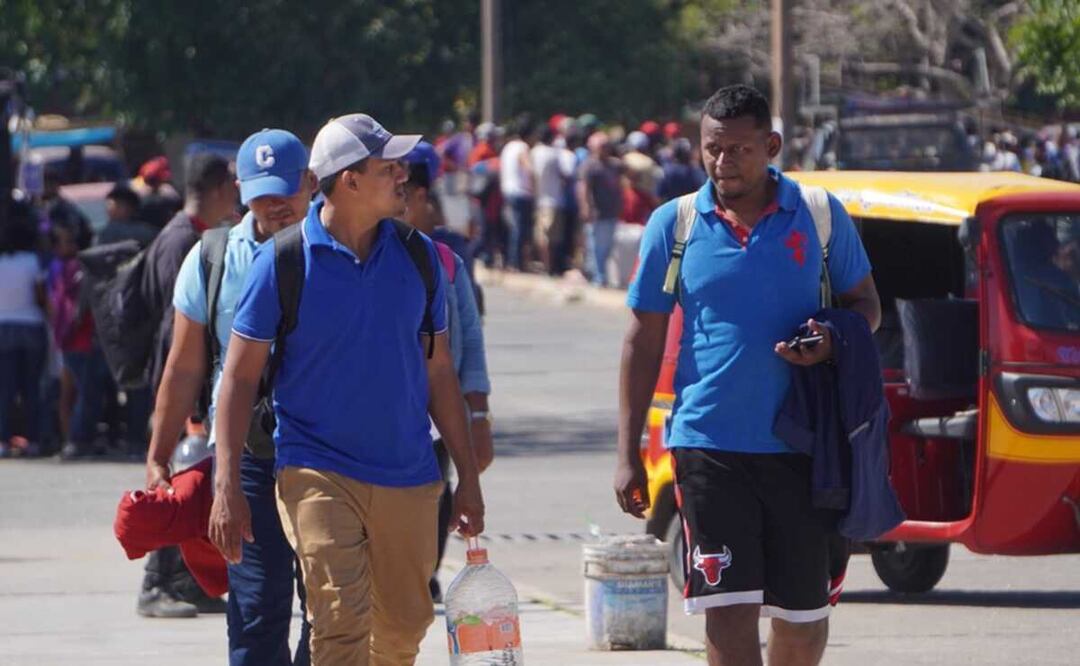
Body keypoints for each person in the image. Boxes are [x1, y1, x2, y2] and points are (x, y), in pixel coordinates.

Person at [615, 84, 881, 666]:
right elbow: (642, 338)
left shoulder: (818, 215)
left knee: (802, 618)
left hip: (806, 449)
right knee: (728, 611)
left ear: (771, 146)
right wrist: (627, 450)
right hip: (708, 446)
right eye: (713, 148)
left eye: (738, 149)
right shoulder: (675, 224)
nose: (723, 161)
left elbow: (867, 304)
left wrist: (831, 340)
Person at [210, 113, 485, 665]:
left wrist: (469, 478)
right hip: (315, 468)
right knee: (338, 622)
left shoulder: (420, 258)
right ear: (349, 180)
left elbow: (439, 375)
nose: (403, 175)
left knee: (404, 628)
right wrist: (226, 483)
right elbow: (237, 378)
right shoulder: (281, 262)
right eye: (388, 168)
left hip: (408, 473)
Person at [147, 129, 314, 664]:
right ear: (240, 191)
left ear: (312, 183)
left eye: (286, 191)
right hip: (246, 454)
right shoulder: (211, 257)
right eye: (262, 195)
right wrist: (159, 453)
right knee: (257, 609)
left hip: (326, 451)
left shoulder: (335, 252)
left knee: (330, 609)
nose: (276, 206)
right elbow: (184, 366)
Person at [136, 152, 238, 619]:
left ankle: (188, 581)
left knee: (191, 487)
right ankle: (156, 583)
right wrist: (188, 406)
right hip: (177, 389)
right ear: (219, 188)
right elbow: (177, 336)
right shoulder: (184, 242)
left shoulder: (190, 236)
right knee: (173, 488)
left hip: (185, 388)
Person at [402, 143, 494, 602]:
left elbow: (470, 346)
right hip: (382, 419)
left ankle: (425, 576)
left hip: (437, 414)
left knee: (437, 494)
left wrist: (478, 416)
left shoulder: (446, 260)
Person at [48, 221, 109, 460]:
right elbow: (81, 307)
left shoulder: (58, 267)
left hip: (65, 339)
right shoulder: (77, 268)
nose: (71, 246)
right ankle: (77, 439)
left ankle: (72, 439)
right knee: (85, 393)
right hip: (80, 340)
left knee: (71, 393)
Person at [0, 200, 48, 458]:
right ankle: (33, 439)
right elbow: (40, 296)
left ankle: (3, 439)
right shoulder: (32, 262)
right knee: (31, 388)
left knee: (5, 389)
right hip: (31, 326)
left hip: (3, 326)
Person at [579, 131, 624, 286]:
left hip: (611, 211)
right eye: (602, 146)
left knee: (608, 246)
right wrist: (585, 207)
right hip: (596, 212)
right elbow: (584, 187)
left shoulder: (615, 165)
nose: (605, 149)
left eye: (607, 146)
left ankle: (601, 274)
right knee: (595, 245)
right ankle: (598, 277)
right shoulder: (589, 165)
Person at [530, 126, 574, 274]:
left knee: (541, 236)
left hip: (539, 200)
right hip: (554, 200)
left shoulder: (535, 152)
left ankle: (545, 264)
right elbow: (566, 175)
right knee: (554, 238)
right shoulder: (554, 154)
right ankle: (551, 267)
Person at [499, 117, 535, 271]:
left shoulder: (508, 147)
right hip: (522, 192)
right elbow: (529, 168)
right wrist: (534, 185)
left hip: (507, 190)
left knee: (513, 227)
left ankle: (510, 260)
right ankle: (516, 262)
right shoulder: (523, 147)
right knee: (521, 229)